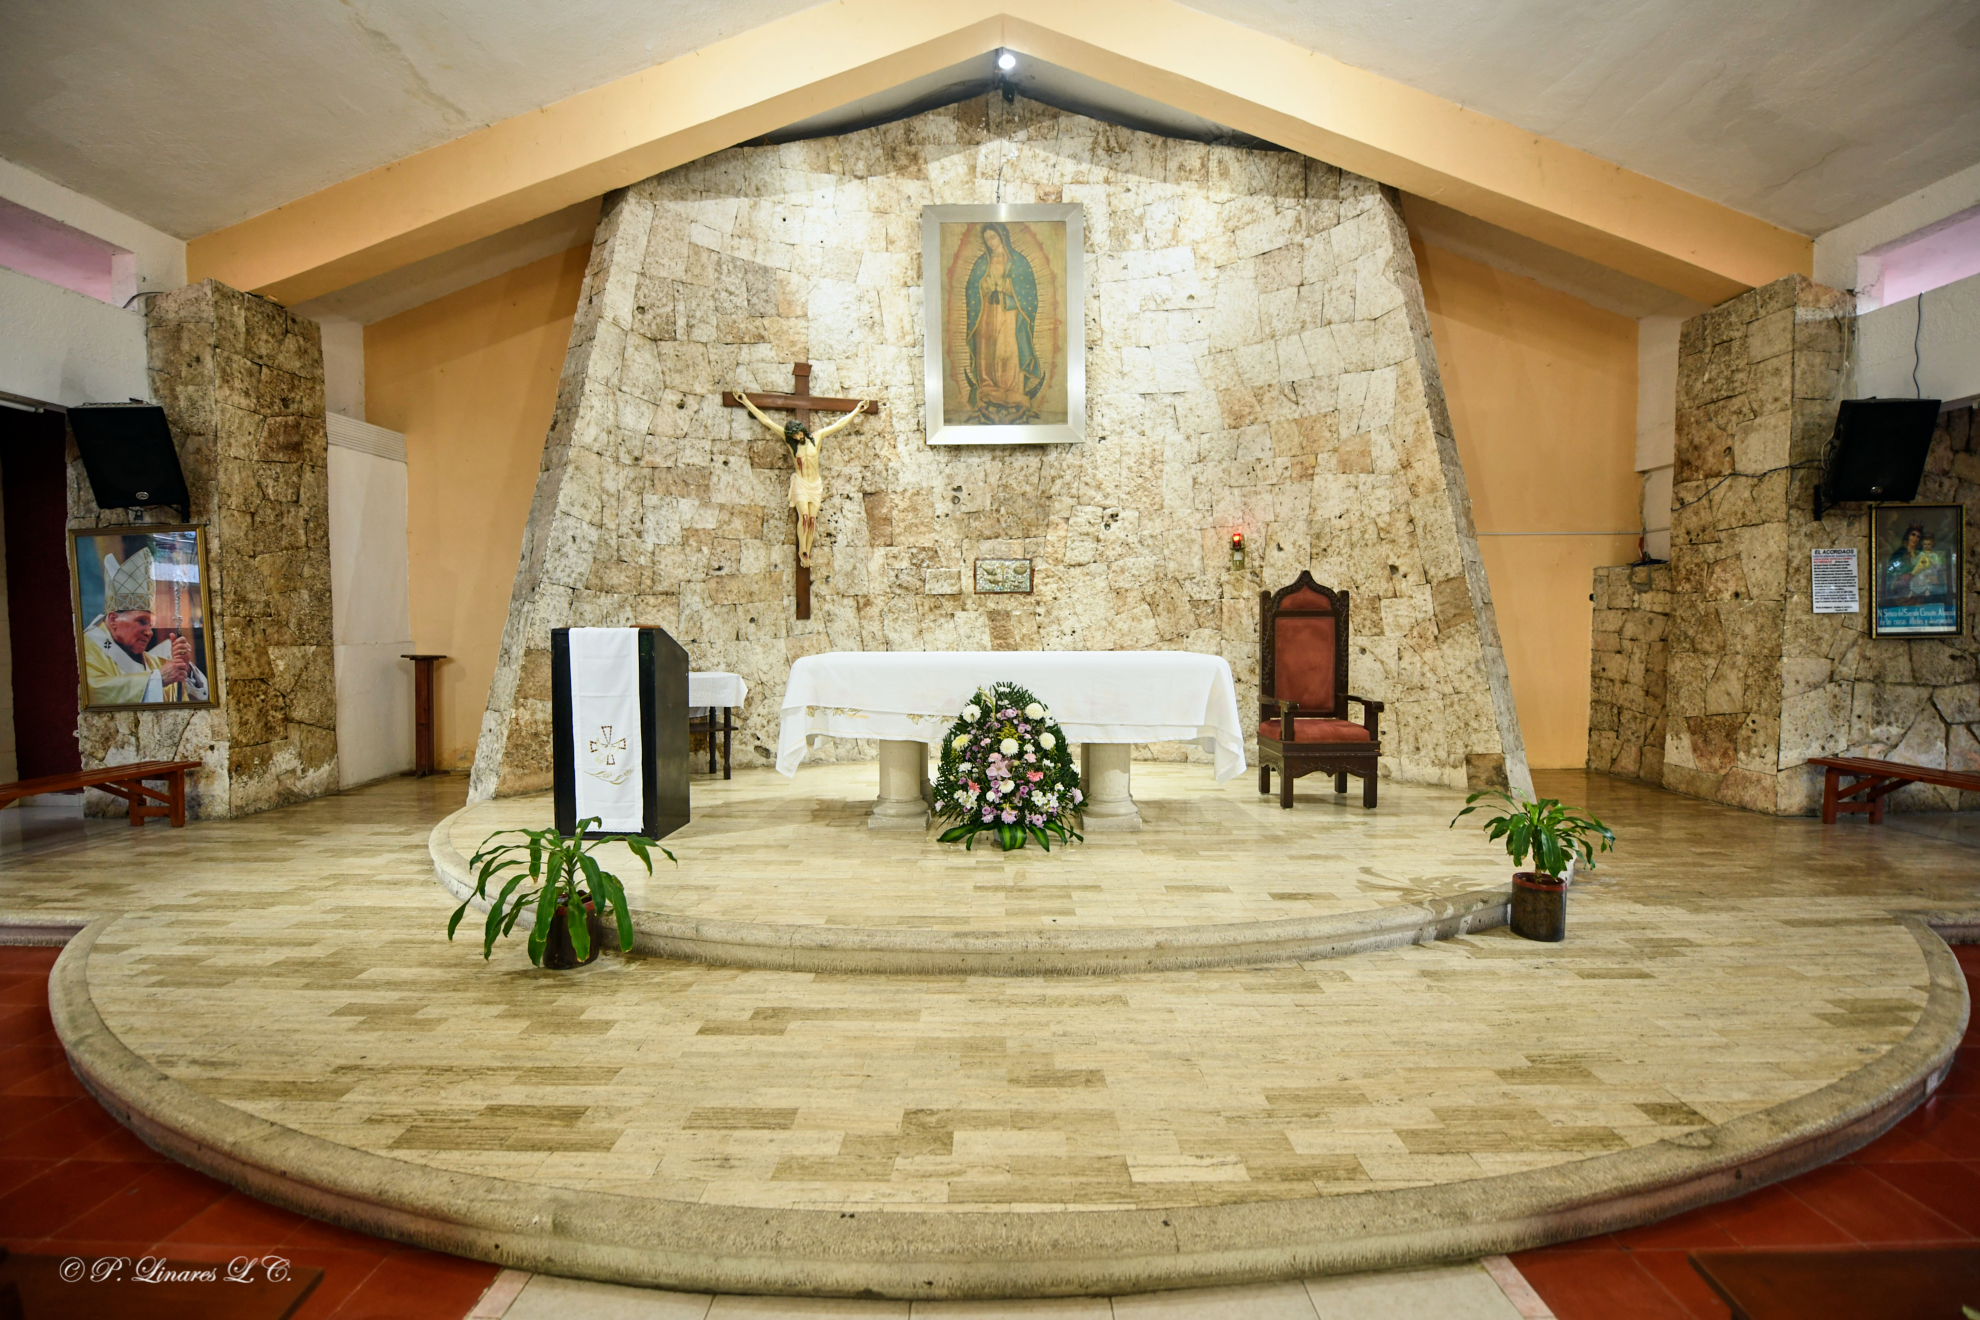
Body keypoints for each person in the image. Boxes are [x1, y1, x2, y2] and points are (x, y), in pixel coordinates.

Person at [82, 546, 208, 706]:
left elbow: (199, 702)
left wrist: (185, 670)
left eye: (151, 625)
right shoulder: (85, 649)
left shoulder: (155, 663)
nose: (149, 632)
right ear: (113, 619)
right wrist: (157, 679)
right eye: (141, 621)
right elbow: (92, 693)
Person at [964, 223, 1044, 423]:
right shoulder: (981, 263)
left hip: (1010, 315)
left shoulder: (1018, 262)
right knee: (988, 352)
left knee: (1007, 351)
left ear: (1003, 237)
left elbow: (1029, 293)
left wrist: (1007, 288)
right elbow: (972, 290)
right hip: (987, 315)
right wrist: (985, 287)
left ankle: (1012, 390)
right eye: (987, 238)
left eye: (994, 237)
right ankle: (988, 388)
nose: (991, 242)